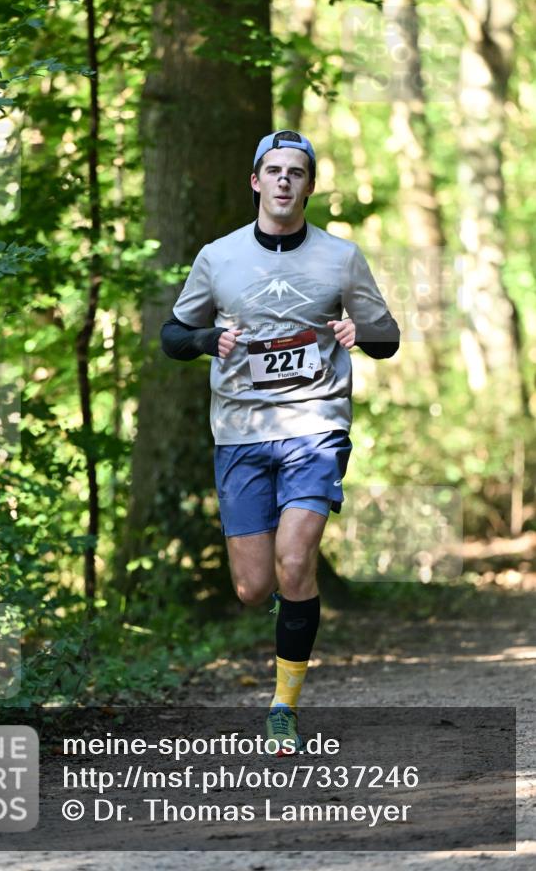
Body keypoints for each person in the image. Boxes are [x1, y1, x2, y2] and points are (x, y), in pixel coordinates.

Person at [161, 129, 400, 754]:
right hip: (240, 430)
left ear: (310, 185)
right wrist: (207, 340)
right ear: (256, 181)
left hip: (314, 424)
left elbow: (387, 335)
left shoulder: (341, 257)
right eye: (274, 171)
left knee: (296, 562)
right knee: (254, 587)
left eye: (297, 171)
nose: (285, 181)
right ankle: (291, 602)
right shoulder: (219, 257)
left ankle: (283, 708)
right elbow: (171, 334)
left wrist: (360, 331)